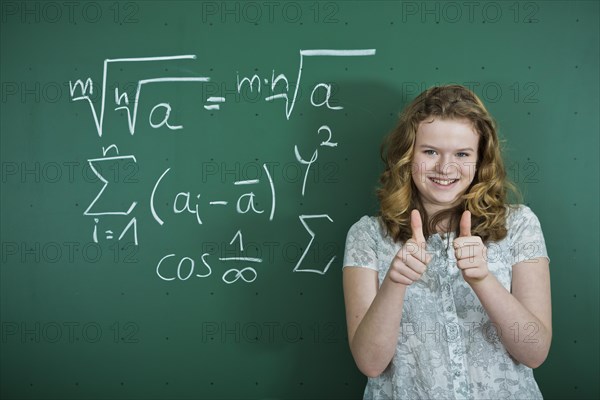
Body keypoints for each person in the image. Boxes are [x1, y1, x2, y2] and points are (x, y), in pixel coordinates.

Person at [342, 84, 551, 399]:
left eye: (462, 154)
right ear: (408, 155)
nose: (445, 168)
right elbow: (370, 364)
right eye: (430, 152)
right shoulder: (367, 236)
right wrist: (394, 283)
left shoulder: (520, 225)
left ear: (480, 159)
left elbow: (534, 353)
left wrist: (483, 280)